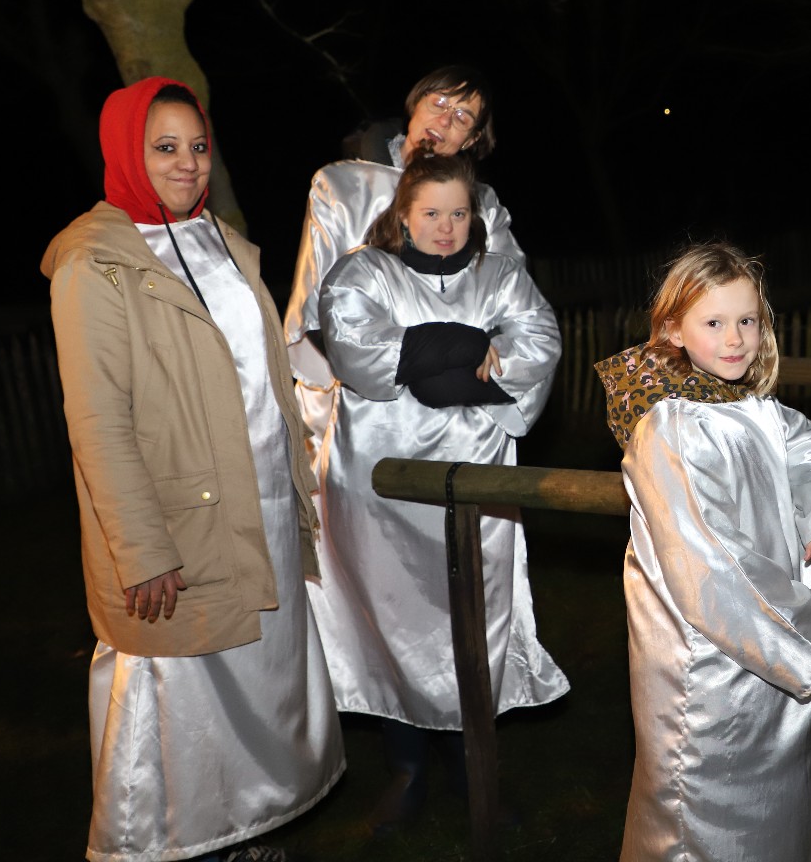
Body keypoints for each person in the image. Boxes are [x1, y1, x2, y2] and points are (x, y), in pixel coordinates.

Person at [42, 77, 344, 862]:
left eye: (198, 146)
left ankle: (242, 837)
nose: (187, 163)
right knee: (178, 710)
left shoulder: (219, 240)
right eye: (165, 147)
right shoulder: (93, 261)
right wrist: (142, 548)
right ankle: (180, 848)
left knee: (255, 691)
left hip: (259, 508)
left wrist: (298, 491)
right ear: (125, 153)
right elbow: (98, 420)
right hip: (177, 525)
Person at [308, 145, 567, 831]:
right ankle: (407, 769)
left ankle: (470, 766)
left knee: (470, 621)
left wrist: (434, 363)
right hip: (385, 489)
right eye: (430, 213)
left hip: (477, 480)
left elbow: (539, 344)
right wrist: (466, 345)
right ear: (404, 214)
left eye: (458, 214)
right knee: (394, 620)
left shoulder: (501, 276)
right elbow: (361, 352)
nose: (446, 228)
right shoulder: (362, 273)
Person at [595, 242, 811, 862]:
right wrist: (798, 637)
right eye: (713, 322)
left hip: (761, 642)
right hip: (708, 658)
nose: (735, 338)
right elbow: (705, 558)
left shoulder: (744, 404)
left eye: (747, 320)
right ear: (673, 330)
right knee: (697, 813)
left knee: (774, 811)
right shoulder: (669, 425)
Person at [283, 65, 523, 469]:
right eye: (438, 103)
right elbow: (318, 302)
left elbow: (511, 306)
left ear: (472, 140)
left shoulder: (484, 207)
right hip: (357, 405)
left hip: (456, 410)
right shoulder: (342, 186)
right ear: (415, 106)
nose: (444, 120)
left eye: (462, 116)